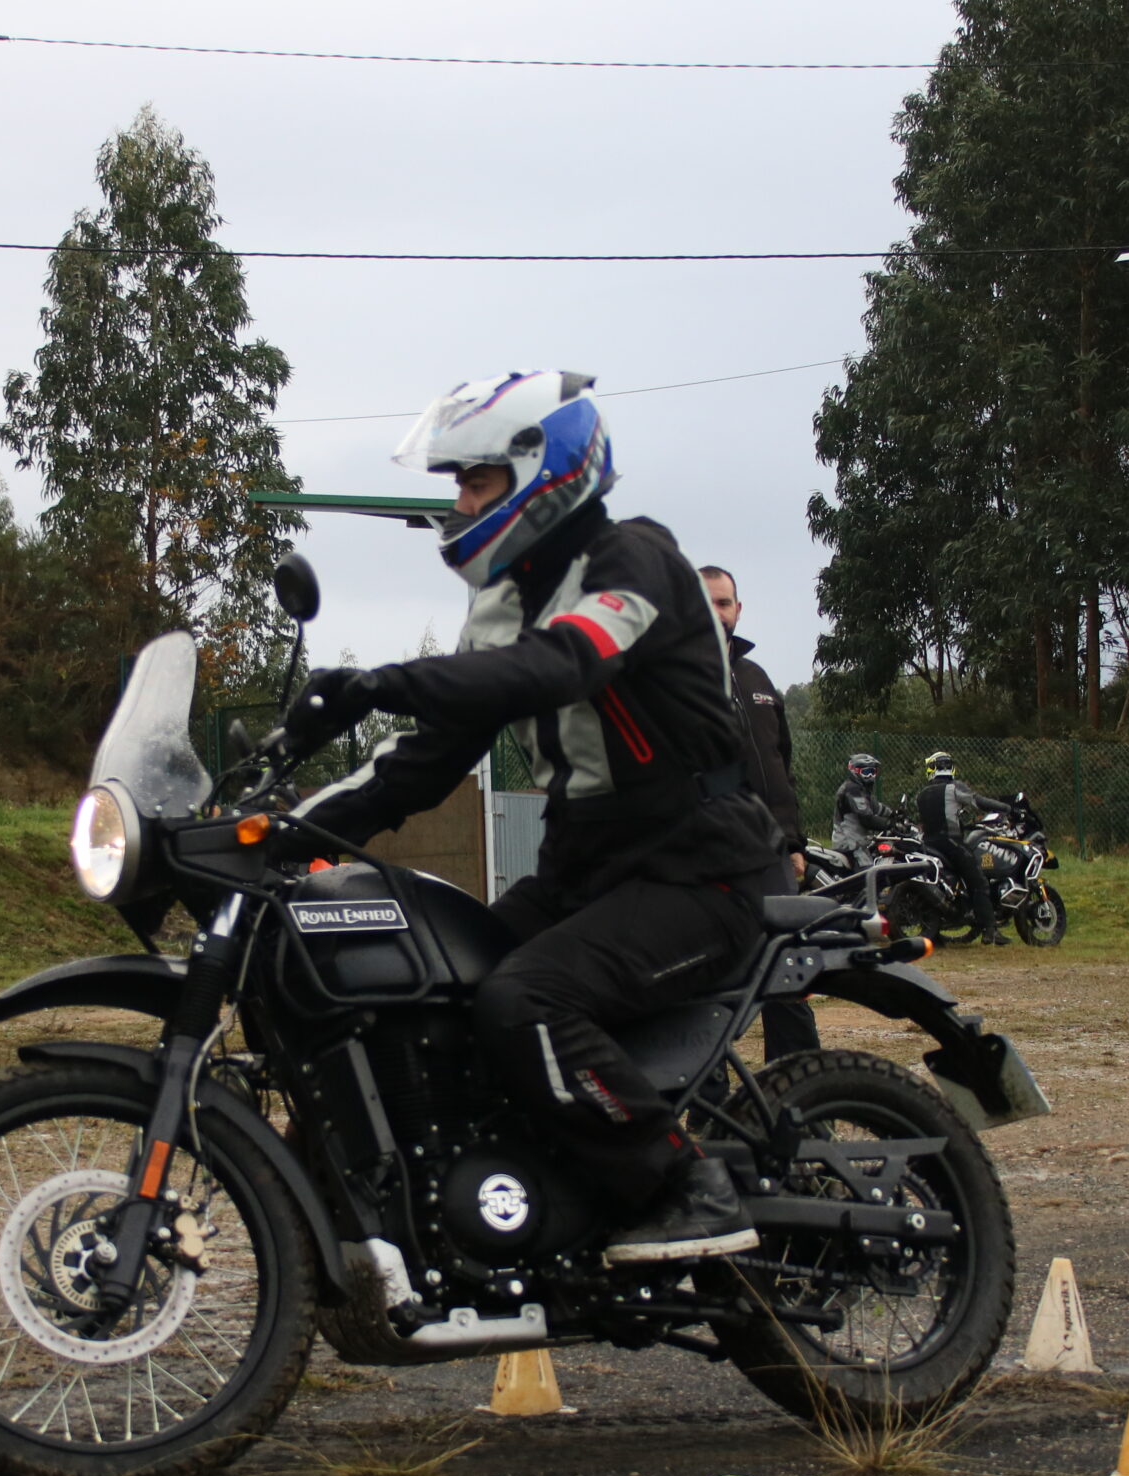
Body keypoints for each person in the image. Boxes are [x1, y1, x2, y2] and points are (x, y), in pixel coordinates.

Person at [286, 370, 787, 1264]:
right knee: (443, 986)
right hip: (585, 870)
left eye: (475, 480)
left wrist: (382, 680)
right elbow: (431, 757)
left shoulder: (638, 560)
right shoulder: (503, 597)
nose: (460, 500)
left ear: (541, 472)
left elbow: (566, 665)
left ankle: (685, 1184)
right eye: (458, 483)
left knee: (525, 998)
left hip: (699, 869)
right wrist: (279, 827)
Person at [700, 564, 819, 1061]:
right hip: (705, 856)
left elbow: (780, 768)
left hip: (770, 854)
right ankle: (707, 1103)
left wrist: (793, 843)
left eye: (723, 603)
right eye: (704, 602)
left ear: (738, 609)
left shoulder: (757, 678)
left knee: (787, 973)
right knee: (706, 979)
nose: (715, 612)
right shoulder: (672, 679)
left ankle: (797, 1090)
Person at [914, 751, 1012, 946]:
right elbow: (978, 801)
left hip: (927, 844)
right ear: (950, 767)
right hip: (951, 843)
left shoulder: (921, 794)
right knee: (979, 881)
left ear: (932, 769)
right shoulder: (953, 787)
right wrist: (1005, 808)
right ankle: (990, 930)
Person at [832, 753, 903, 853]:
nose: (870, 776)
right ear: (855, 771)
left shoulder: (862, 790)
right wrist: (891, 824)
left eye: (873, 772)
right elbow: (866, 820)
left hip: (858, 841)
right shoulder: (852, 790)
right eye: (866, 772)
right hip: (849, 845)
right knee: (868, 866)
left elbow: (876, 807)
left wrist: (894, 814)